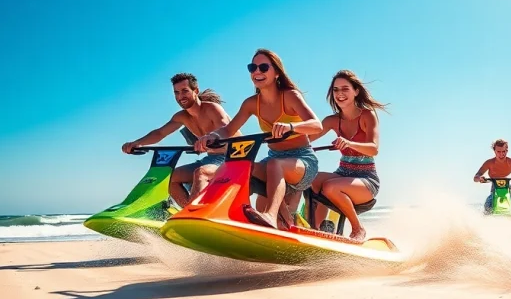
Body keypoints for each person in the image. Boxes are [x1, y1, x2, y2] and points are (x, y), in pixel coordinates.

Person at [195, 49, 323, 229]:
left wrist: (291, 127)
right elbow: (229, 130)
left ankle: (271, 215)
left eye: (263, 67)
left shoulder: (290, 96)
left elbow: (317, 125)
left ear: (276, 72)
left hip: (303, 160)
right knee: (242, 167)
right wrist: (213, 135)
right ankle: (223, 215)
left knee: (273, 165)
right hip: (274, 160)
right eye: (252, 67)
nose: (257, 72)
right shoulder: (250, 103)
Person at [122, 73, 233, 207]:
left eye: (185, 91)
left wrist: (212, 136)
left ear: (195, 91)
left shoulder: (212, 108)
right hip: (211, 160)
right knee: (169, 177)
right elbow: (160, 133)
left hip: (233, 158)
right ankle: (188, 213)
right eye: (177, 92)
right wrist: (137, 143)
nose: (180, 96)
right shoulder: (182, 117)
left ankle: (194, 214)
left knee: (200, 173)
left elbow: (225, 128)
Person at [307, 70, 388, 242]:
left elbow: (374, 149)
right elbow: (306, 139)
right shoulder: (331, 120)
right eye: (336, 90)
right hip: (342, 173)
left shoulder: (367, 115)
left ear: (356, 91)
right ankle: (317, 229)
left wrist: (349, 143)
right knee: (311, 178)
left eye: (345, 89)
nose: (340, 94)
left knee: (330, 187)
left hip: (366, 180)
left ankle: (358, 229)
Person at [474, 139, 511, 214]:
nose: (501, 154)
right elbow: (476, 177)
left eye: (503, 151)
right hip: (494, 191)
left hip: (507, 192)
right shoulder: (489, 163)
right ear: (494, 151)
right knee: (487, 208)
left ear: (507, 151)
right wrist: (480, 178)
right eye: (498, 152)